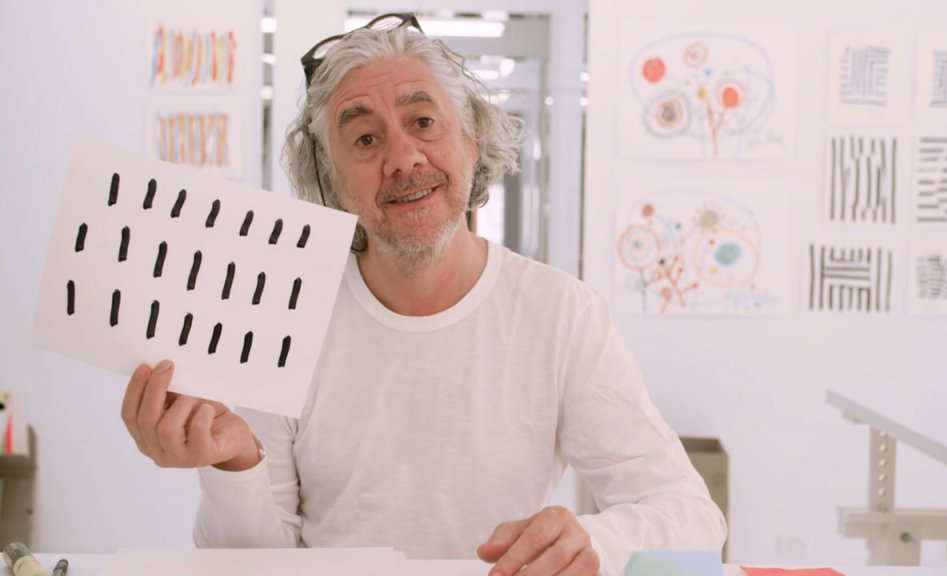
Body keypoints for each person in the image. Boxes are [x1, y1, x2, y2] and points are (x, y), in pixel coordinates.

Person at [120, 13, 726, 576]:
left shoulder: (561, 314)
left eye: (424, 122)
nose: (403, 158)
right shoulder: (286, 313)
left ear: (472, 140)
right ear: (330, 182)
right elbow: (253, 564)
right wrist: (232, 463)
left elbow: (692, 518)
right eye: (364, 139)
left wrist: (594, 541)